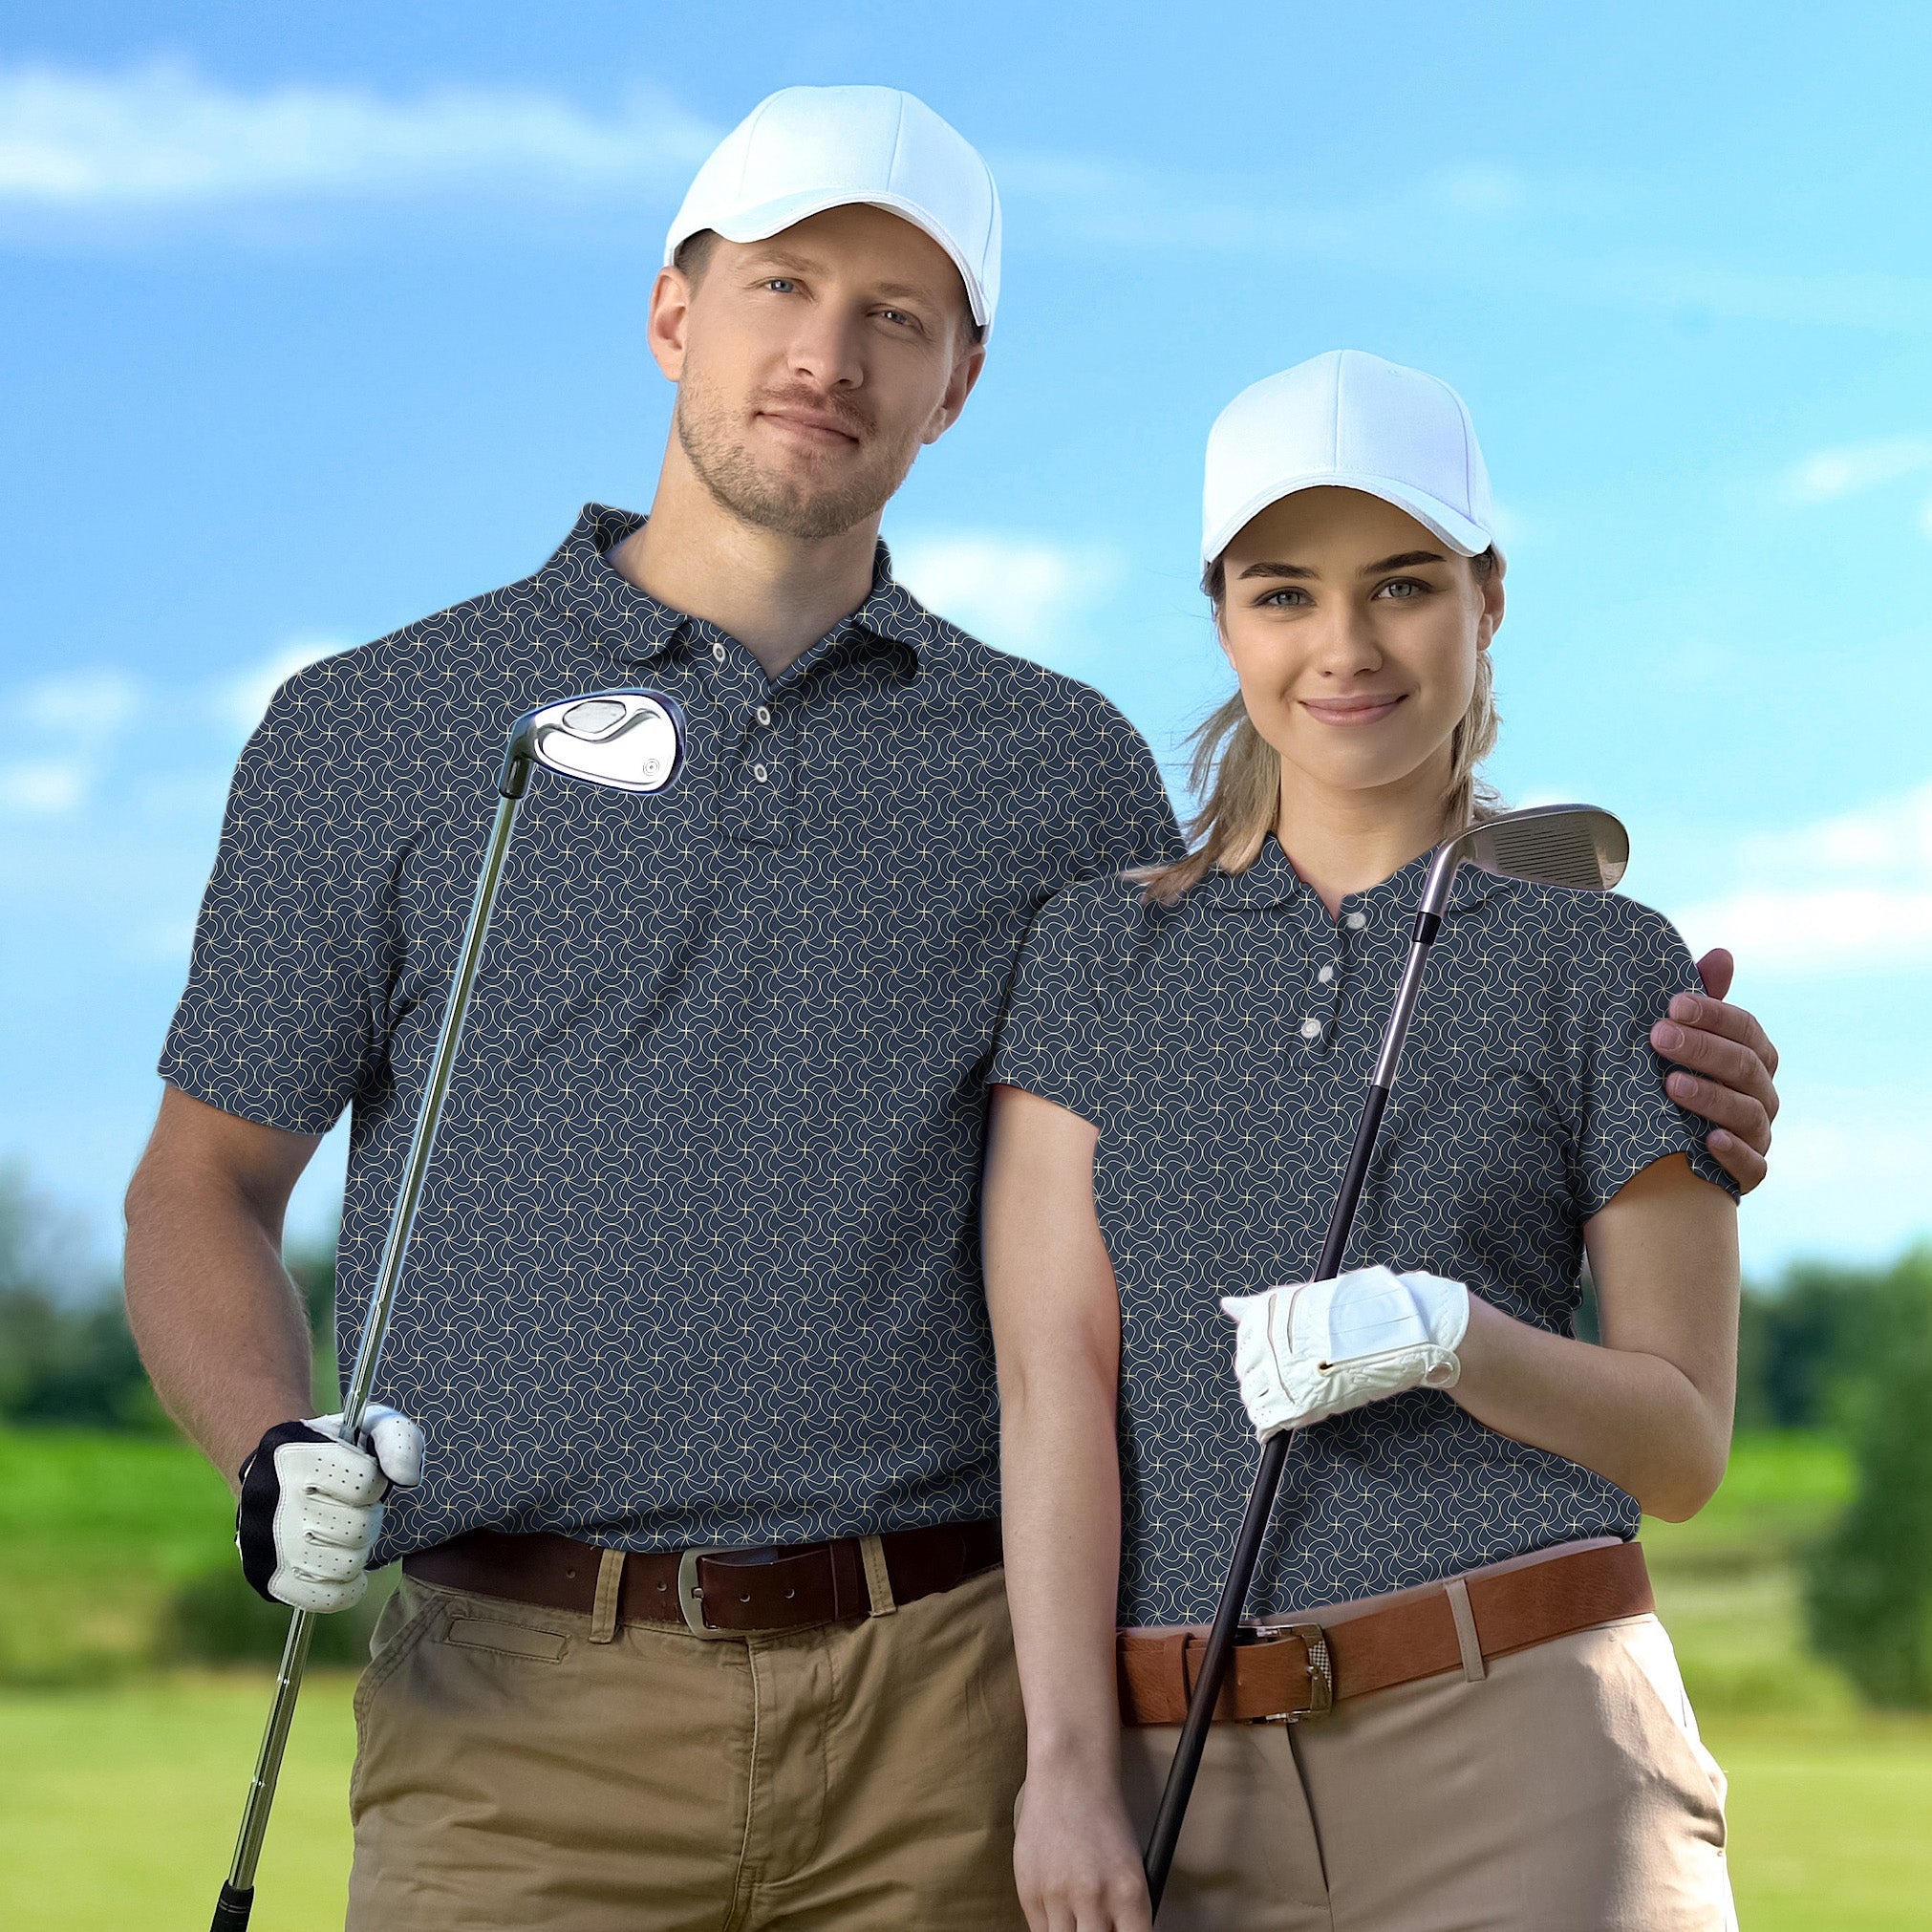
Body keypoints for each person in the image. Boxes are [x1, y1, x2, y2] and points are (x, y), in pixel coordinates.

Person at [119, 80, 1777, 1929]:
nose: (827, 355)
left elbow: (1265, 1026)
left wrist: (1614, 1016)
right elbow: (202, 1185)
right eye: (780, 285)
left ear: (958, 381)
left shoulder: (1055, 763)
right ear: (672, 309)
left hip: (947, 1711)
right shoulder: (378, 725)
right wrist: (269, 1447)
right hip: (515, 1714)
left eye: (894, 316)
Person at [985, 351, 1749, 1931]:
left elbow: (1679, 1448)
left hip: (1531, 1744)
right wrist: (1061, 1763)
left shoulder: (1606, 959)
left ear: (1485, 599)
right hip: (1182, 1773)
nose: (1343, 646)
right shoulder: (1093, 955)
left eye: (1401, 584)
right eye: (1284, 594)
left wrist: (1447, 1334)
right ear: (1222, 618)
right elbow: (1052, 1379)